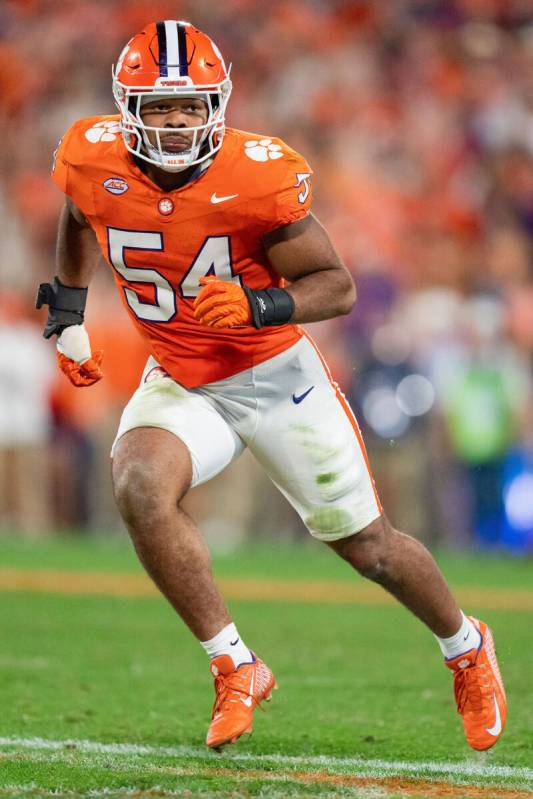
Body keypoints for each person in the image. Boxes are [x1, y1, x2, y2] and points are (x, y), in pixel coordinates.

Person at [37, 20, 506, 751]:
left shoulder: (254, 175)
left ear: (215, 106)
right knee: (136, 481)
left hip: (272, 375)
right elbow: (76, 214)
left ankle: (465, 645)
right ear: (126, 108)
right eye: (158, 107)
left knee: (368, 547)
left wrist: (261, 303)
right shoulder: (89, 156)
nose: (174, 121)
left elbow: (337, 285)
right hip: (184, 375)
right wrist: (67, 312)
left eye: (189, 106)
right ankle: (235, 663)